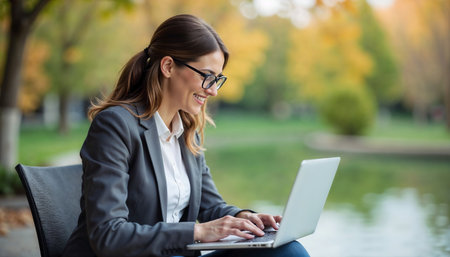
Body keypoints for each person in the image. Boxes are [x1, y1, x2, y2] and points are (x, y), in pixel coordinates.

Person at [62, 14, 310, 257]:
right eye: (207, 76)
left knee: (289, 251)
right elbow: (108, 235)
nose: (213, 90)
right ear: (168, 66)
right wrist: (197, 231)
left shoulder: (187, 131)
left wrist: (242, 217)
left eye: (218, 79)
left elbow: (210, 206)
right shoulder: (116, 126)